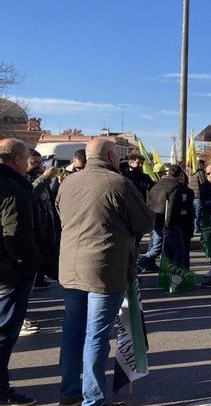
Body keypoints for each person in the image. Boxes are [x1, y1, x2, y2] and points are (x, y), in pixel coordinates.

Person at [56, 139, 154, 406]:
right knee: (96, 335)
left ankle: (69, 391)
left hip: (71, 267)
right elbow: (145, 221)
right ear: (111, 156)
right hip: (105, 268)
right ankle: (93, 398)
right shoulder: (118, 183)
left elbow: (61, 217)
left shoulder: (68, 183)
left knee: (73, 331)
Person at [0, 139, 42, 406]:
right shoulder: (13, 189)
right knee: (4, 334)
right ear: (16, 159)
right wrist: (31, 261)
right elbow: (15, 235)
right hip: (10, 272)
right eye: (28, 158)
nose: (31, 163)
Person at [139, 165, 195, 271]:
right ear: (178, 176)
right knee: (179, 250)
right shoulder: (175, 187)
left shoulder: (156, 185)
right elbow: (171, 208)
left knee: (156, 249)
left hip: (155, 221)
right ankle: (178, 275)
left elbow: (149, 203)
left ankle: (139, 265)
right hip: (169, 223)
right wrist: (168, 226)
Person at [25, 150, 59, 290]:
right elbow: (28, 195)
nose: (38, 166)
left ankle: (39, 279)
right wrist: (45, 178)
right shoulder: (22, 179)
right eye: (33, 163)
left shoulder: (39, 177)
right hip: (33, 225)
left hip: (45, 222)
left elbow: (49, 198)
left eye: (40, 163)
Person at [188, 159, 208, 233]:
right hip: (198, 196)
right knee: (197, 213)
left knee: (194, 213)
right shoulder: (200, 173)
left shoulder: (192, 174)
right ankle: (196, 228)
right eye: (204, 165)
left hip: (192, 196)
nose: (204, 167)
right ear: (201, 165)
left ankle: (193, 227)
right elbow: (203, 184)